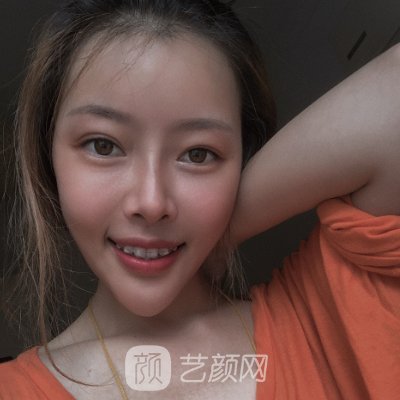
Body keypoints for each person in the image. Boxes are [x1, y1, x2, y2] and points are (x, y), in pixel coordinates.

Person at [0, 0, 399, 399]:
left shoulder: (320, 319)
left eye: (198, 154)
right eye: (103, 145)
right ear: (49, 158)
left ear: (242, 161)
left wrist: (225, 229)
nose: (151, 203)